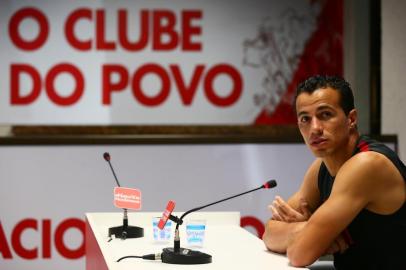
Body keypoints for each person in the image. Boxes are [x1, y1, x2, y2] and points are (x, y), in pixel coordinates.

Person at [262, 75, 406, 269]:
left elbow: (299, 254)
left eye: (325, 115)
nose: (315, 129)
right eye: (305, 118)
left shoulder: (367, 164)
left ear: (351, 119)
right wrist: (308, 229)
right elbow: (269, 233)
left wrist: (310, 235)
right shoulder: (321, 167)